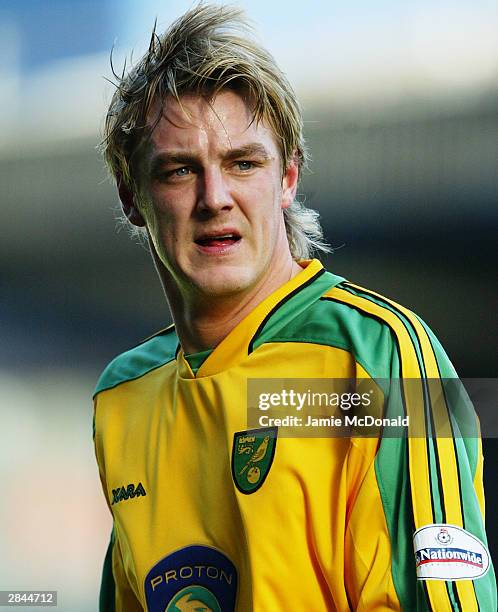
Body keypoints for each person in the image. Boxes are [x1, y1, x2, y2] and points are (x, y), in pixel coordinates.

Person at [93, 4, 496, 611]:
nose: (215, 198)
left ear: (288, 177)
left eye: (244, 163)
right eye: (179, 171)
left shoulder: (382, 358)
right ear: (131, 194)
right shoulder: (123, 393)